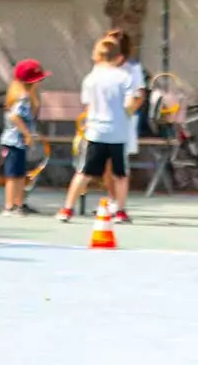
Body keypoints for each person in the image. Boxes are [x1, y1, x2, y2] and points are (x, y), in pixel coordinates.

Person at [57, 37, 136, 222]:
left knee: (83, 173)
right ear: (118, 58)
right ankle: (120, 211)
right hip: (118, 133)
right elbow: (130, 104)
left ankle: (67, 209)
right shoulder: (125, 77)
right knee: (121, 175)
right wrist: (124, 114)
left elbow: (88, 105)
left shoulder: (91, 79)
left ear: (99, 56)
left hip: (96, 132)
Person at [103, 29, 145, 223]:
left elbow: (139, 96)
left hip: (124, 122)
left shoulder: (133, 68)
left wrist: (125, 114)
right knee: (105, 164)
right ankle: (112, 200)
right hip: (103, 122)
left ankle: (120, 207)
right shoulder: (102, 68)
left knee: (119, 164)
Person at [0, 59, 50, 216]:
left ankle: (19, 204)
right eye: (39, 79)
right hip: (14, 142)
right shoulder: (22, 98)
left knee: (20, 174)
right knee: (13, 175)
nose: (41, 82)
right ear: (32, 81)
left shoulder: (28, 97)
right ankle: (9, 206)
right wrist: (27, 134)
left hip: (19, 143)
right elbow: (15, 117)